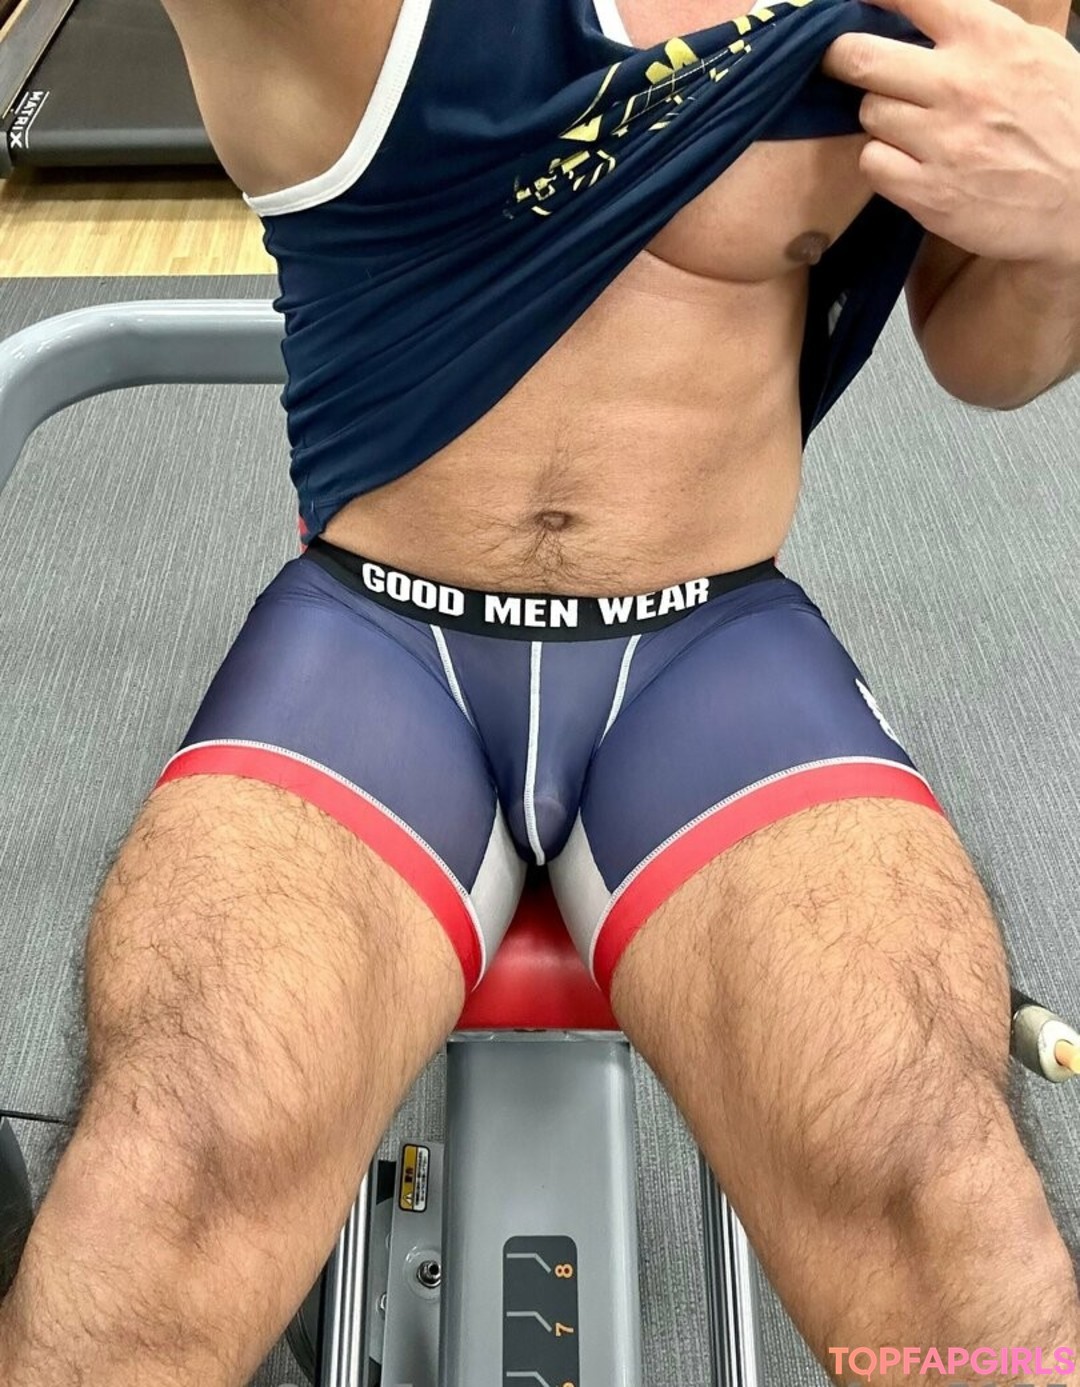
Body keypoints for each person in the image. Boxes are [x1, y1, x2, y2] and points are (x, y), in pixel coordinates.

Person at [2, 0, 1079, 1381]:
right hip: (377, 648)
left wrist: (1063, 217)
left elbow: (987, 355)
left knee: (947, 1208)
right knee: (166, 1185)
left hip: (706, 655)